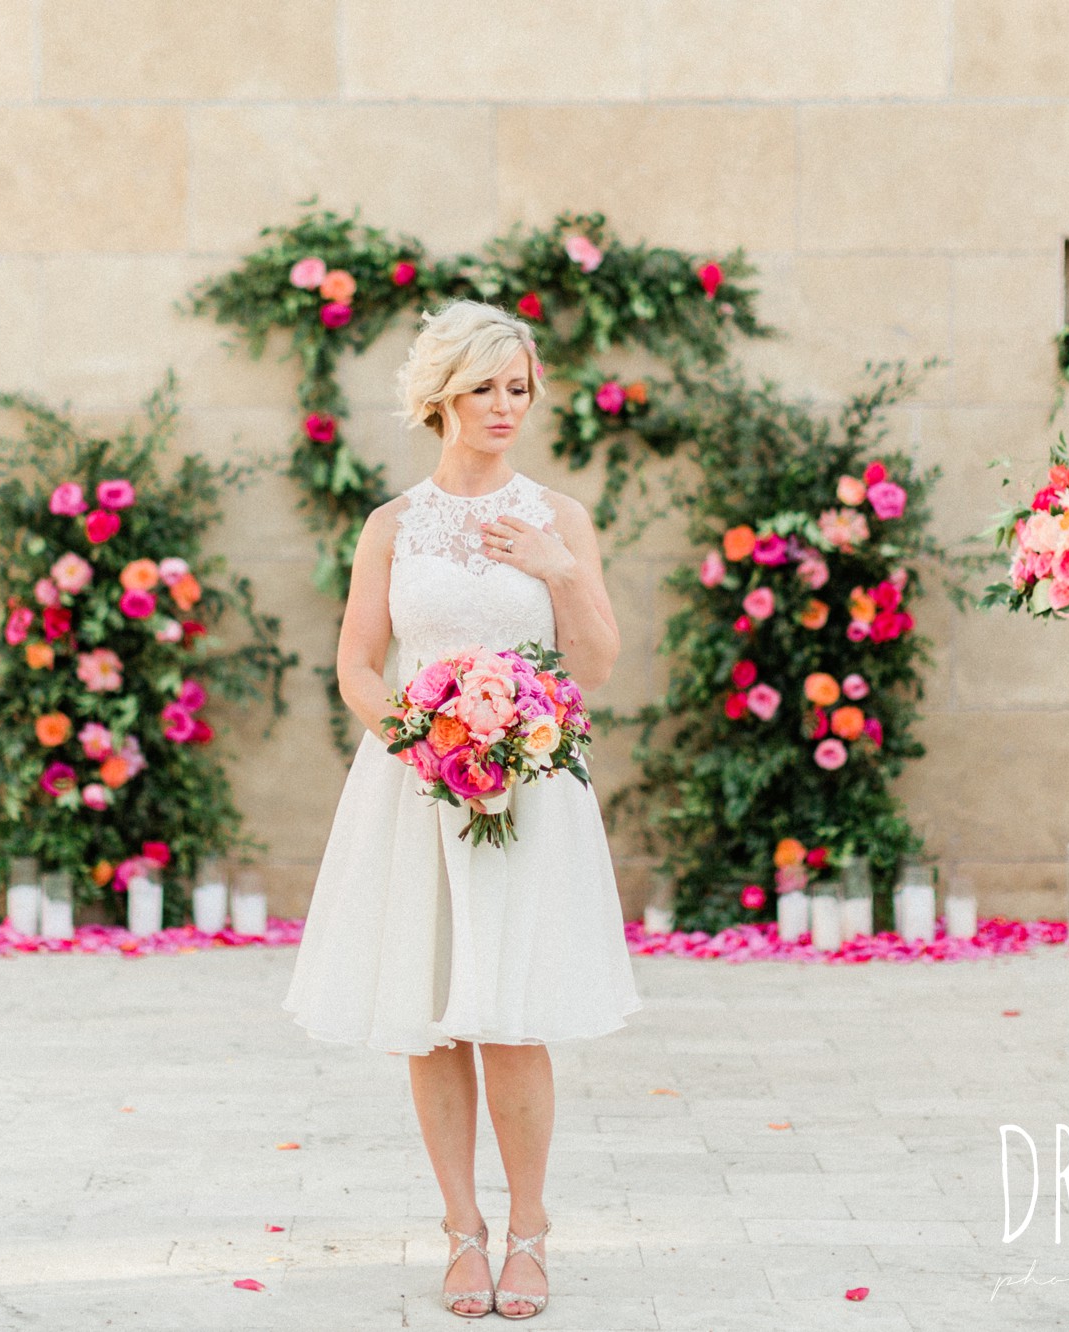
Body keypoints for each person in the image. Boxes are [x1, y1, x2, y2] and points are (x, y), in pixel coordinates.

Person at [282, 299, 641, 1319]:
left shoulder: (558, 516)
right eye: (483, 386)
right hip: (418, 789)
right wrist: (416, 732)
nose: (502, 406)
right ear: (440, 394)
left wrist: (556, 570)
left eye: (517, 388)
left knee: (512, 1019)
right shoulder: (390, 527)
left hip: (529, 794)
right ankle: (460, 1232)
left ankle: (528, 1234)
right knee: (432, 1022)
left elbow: (601, 662)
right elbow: (356, 663)